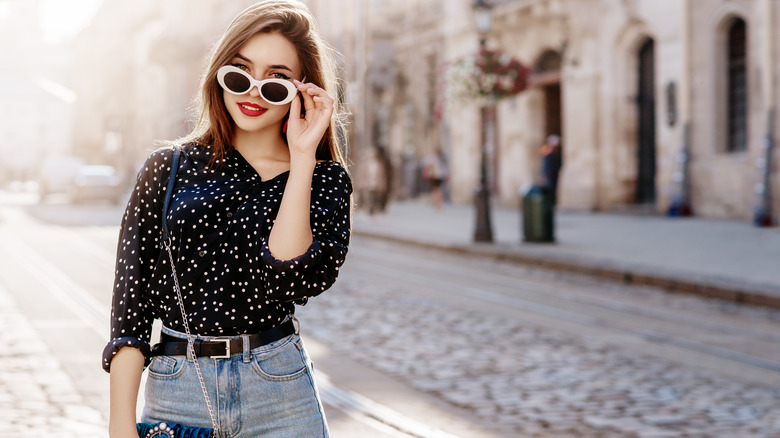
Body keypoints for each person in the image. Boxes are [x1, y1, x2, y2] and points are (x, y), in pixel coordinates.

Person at [103, 1, 351, 437]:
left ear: (302, 91)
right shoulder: (168, 167)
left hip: (281, 392)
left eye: (276, 82)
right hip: (179, 391)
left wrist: (302, 157)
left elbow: (291, 277)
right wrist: (119, 426)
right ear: (218, 74)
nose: (253, 92)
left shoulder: (323, 178)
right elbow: (132, 309)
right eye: (239, 73)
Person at [540, 134, 562, 206]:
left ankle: (549, 203)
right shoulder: (549, 151)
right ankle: (549, 203)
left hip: (550, 173)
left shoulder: (549, 151)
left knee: (551, 188)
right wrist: (550, 173)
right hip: (550, 174)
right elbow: (548, 164)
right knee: (550, 188)